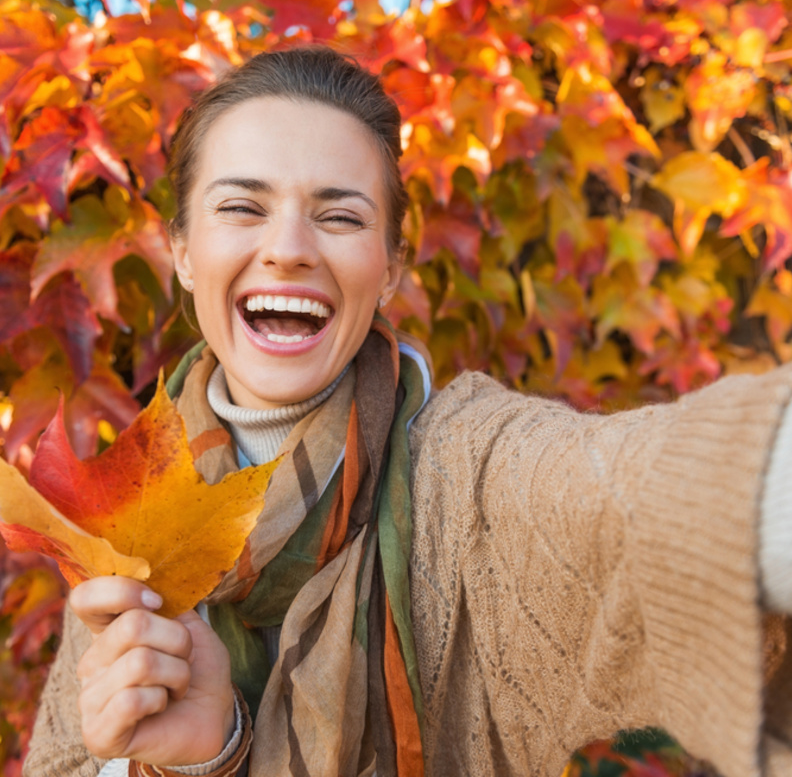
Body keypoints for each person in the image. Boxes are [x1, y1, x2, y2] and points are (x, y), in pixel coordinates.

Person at [21, 45, 792, 777]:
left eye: (341, 216)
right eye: (242, 207)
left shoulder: (469, 477)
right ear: (183, 251)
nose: (288, 247)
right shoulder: (127, 511)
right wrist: (197, 759)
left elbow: (634, 492)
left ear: (390, 267)